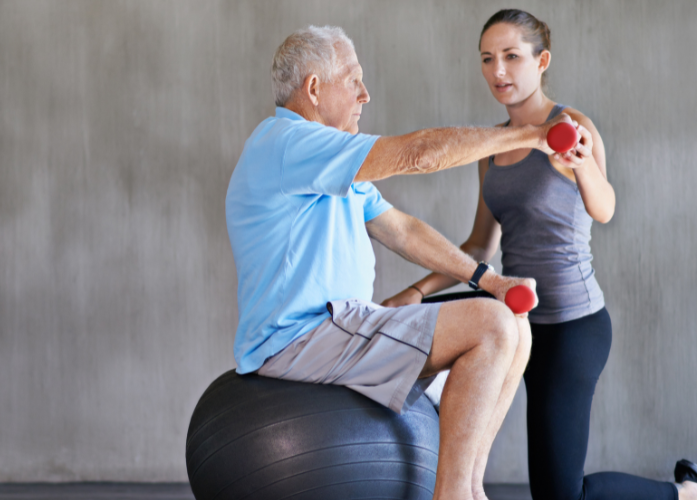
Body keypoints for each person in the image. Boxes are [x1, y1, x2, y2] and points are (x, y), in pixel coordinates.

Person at [381, 9, 697, 500]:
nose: (498, 71)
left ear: (541, 60)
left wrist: (581, 164)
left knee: (559, 495)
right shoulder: (490, 150)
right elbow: (478, 248)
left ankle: (691, 494)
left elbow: (606, 208)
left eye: (511, 56)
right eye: (488, 59)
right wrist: (413, 293)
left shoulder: (570, 127)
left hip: (573, 328)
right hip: (514, 322)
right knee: (407, 335)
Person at [226, 25, 582, 500]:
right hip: (303, 335)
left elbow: (402, 230)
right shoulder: (289, 144)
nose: (365, 95)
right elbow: (419, 154)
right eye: (353, 81)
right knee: (491, 327)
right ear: (314, 88)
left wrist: (487, 278)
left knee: (515, 326)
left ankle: (470, 489)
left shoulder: (326, 162)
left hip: (339, 326)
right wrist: (529, 136)